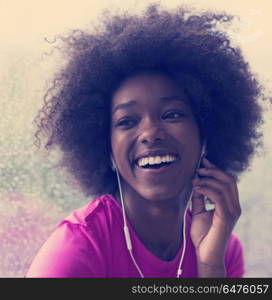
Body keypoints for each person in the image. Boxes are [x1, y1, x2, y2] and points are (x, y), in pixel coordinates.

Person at [26, 4, 264, 278]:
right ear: (106, 149)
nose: (151, 133)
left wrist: (210, 267)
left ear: (206, 133)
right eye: (127, 121)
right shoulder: (76, 251)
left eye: (172, 114)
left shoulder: (221, 245)